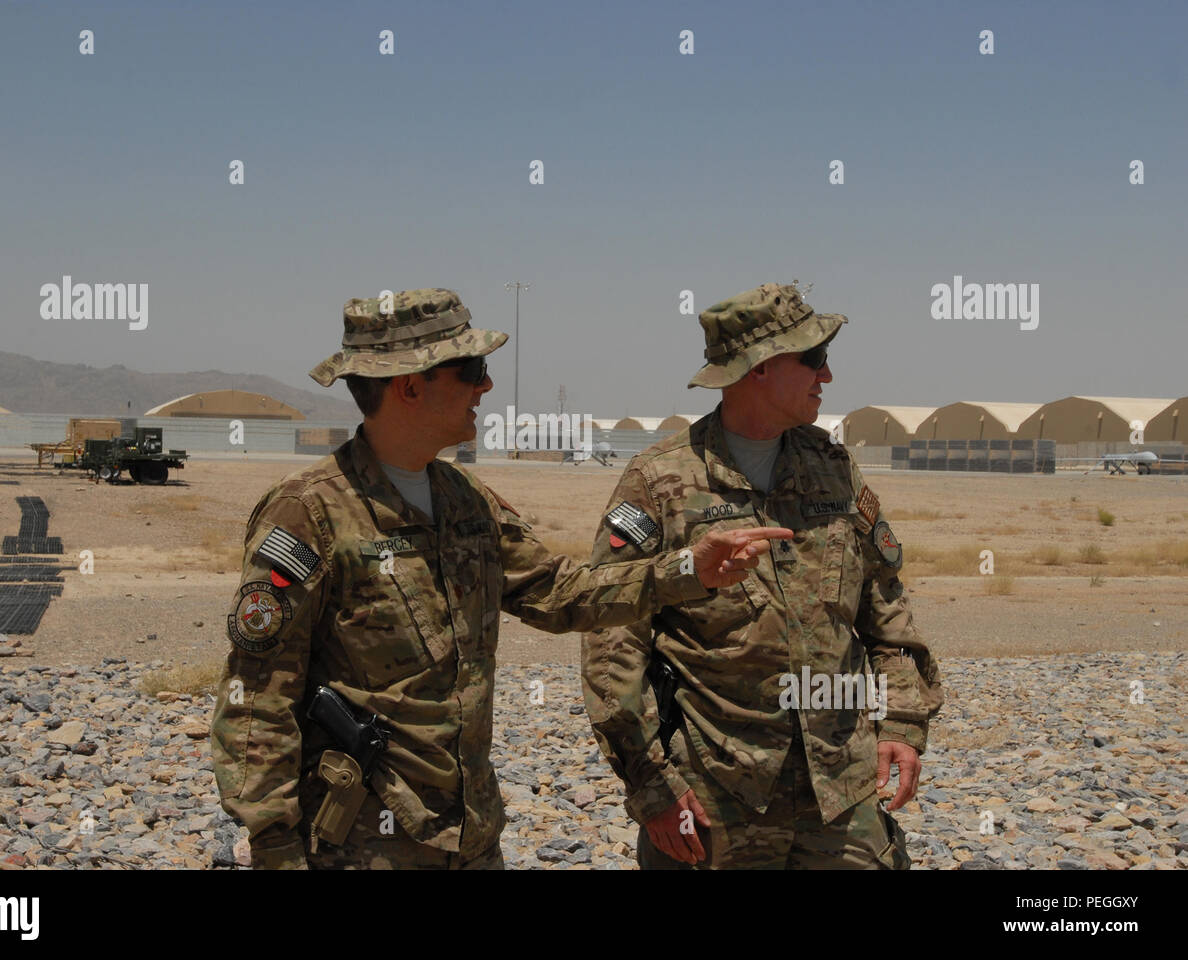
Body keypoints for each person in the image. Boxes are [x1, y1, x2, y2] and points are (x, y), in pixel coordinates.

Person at [209, 287, 788, 870]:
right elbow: (258, 696)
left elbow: (560, 594)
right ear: (409, 385)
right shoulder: (308, 513)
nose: (487, 387)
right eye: (472, 370)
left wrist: (689, 569)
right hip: (357, 844)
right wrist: (275, 846)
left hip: (470, 835)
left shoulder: (466, 502)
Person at [580, 282, 944, 869]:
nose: (826, 376)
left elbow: (886, 611)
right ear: (761, 368)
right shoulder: (662, 481)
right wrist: (649, 784)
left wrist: (902, 721)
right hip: (715, 791)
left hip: (841, 787)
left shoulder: (833, 468)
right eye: (814, 359)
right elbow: (612, 643)